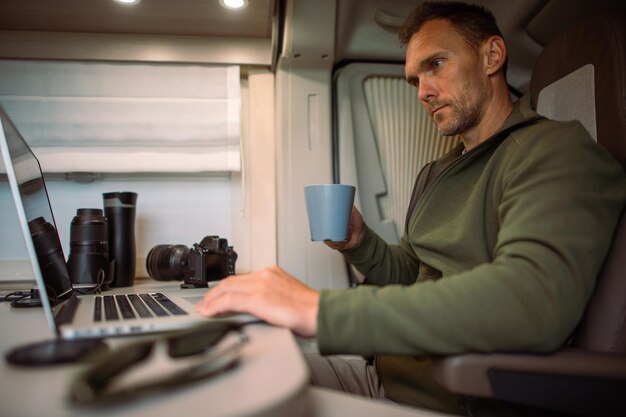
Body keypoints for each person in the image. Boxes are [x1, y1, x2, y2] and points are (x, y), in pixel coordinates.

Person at [197, 1, 626, 415]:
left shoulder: (553, 150)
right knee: (220, 377)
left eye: (435, 64)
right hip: (386, 376)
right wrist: (361, 243)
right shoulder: (437, 171)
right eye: (414, 80)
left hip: (453, 397)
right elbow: (414, 273)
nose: (423, 92)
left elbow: (534, 300)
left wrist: (317, 310)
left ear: (492, 55)